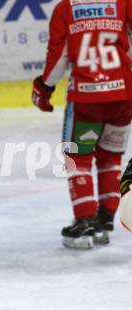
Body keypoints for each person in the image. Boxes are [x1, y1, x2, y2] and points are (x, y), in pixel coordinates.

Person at [32, 0, 132, 249]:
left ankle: (85, 220)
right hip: (124, 94)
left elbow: (59, 56)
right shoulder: (124, 3)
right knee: (110, 157)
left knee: (77, 157)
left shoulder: (66, 8)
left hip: (86, 98)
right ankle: (105, 218)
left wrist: (44, 88)